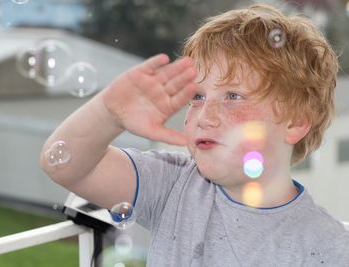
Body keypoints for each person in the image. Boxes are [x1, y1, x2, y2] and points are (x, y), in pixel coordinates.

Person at [40, 3, 349, 266]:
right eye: (198, 96)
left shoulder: (327, 248)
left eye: (233, 97)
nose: (205, 115)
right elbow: (64, 163)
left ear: (295, 123)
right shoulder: (173, 183)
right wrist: (108, 112)